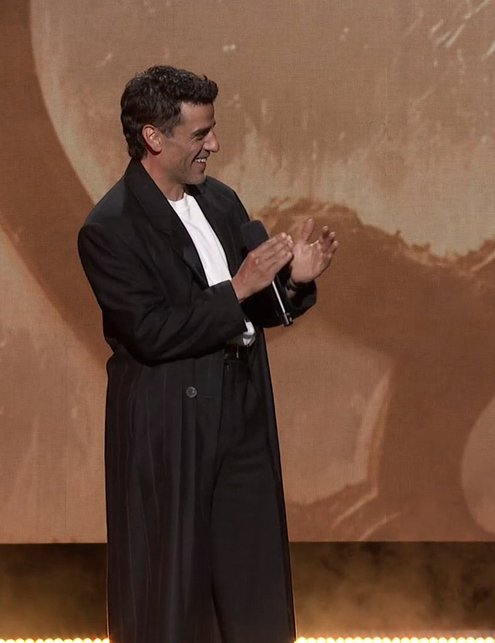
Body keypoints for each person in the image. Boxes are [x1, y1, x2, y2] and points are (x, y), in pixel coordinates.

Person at [77, 65, 338, 642]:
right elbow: (151, 332)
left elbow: (252, 308)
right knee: (176, 589)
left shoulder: (219, 201)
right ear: (153, 137)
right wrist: (240, 288)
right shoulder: (111, 228)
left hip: (240, 416)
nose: (213, 145)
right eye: (199, 134)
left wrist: (291, 282)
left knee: (250, 580)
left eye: (212, 130)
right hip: (172, 427)